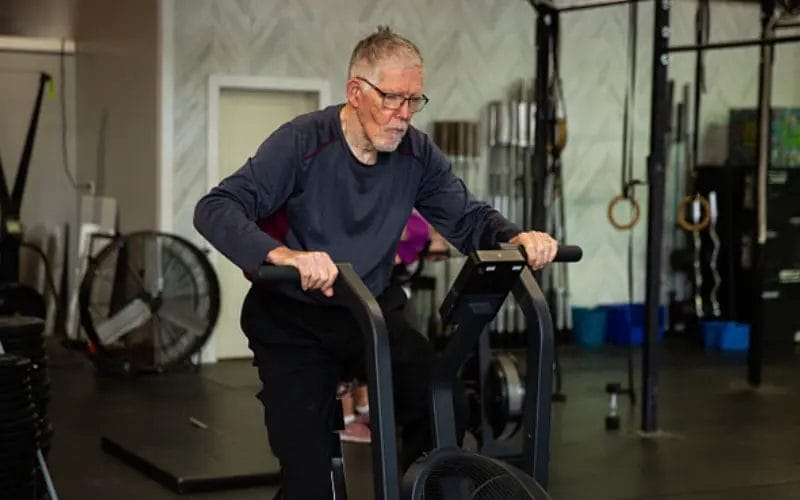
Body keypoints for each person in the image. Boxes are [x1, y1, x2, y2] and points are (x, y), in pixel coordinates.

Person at [193, 25, 558, 500]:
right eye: (391, 99)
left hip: (370, 313)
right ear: (355, 92)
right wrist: (283, 255)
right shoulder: (302, 142)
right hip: (293, 323)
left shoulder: (416, 154)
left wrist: (515, 237)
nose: (403, 115)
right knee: (309, 478)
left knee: (443, 404)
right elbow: (216, 207)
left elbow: (467, 218)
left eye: (414, 100)